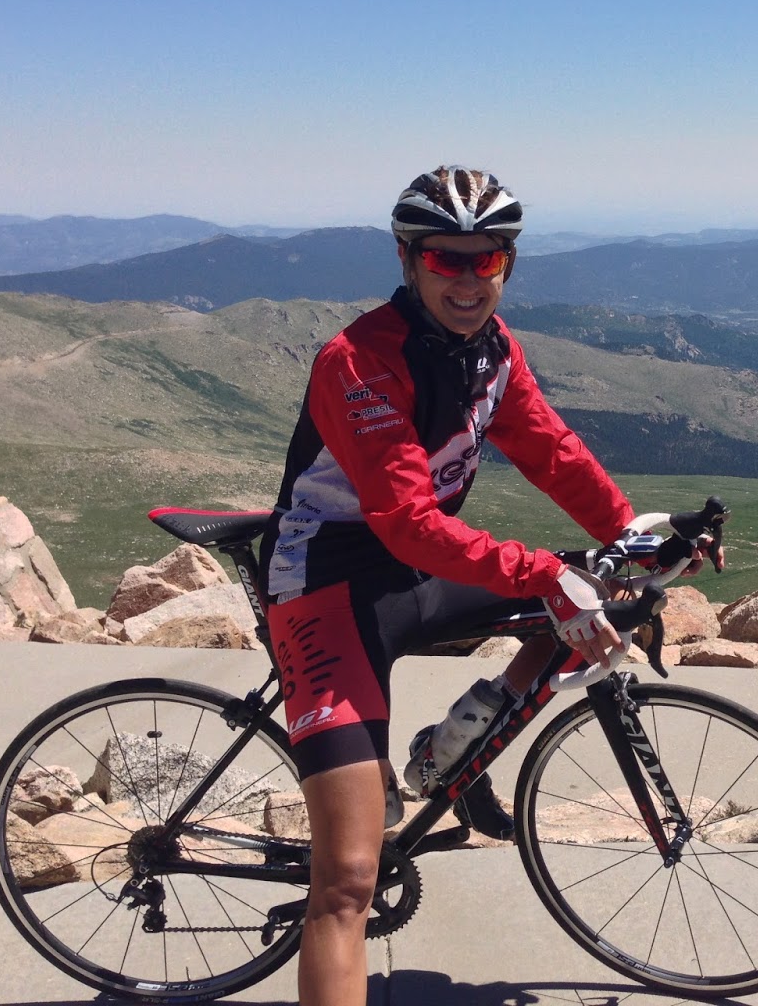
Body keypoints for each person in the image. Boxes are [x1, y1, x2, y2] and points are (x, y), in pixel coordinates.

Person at [259, 165, 640, 1006]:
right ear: (409, 261)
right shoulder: (356, 361)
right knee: (349, 880)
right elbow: (402, 519)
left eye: (487, 261)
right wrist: (548, 569)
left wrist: (630, 534)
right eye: (446, 261)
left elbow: (550, 450)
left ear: (508, 264)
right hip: (327, 584)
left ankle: (452, 749)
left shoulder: (493, 353)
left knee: (586, 599)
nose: (468, 281)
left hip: (414, 574)